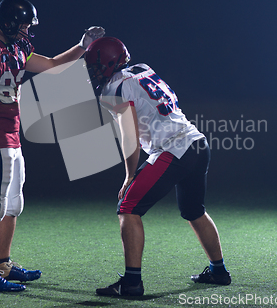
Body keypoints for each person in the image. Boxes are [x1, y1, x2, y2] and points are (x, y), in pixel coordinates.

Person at [0, 0, 105, 292]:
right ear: (9, 23)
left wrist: (82, 46)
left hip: (11, 135)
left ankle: (2, 264)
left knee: (13, 205)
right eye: (23, 25)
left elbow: (51, 65)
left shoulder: (18, 46)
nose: (27, 31)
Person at [82, 37, 231, 297]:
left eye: (95, 66)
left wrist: (129, 176)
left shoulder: (114, 88)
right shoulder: (142, 69)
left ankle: (132, 283)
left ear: (108, 63)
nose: (92, 72)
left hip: (174, 148)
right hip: (197, 142)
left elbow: (130, 139)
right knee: (194, 211)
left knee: (128, 207)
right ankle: (218, 271)